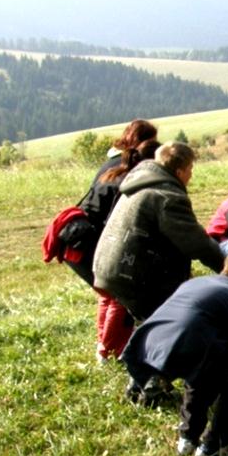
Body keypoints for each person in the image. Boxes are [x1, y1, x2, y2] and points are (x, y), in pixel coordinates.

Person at [121, 251, 228, 456]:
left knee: (202, 372)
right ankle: (214, 448)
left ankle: (187, 439)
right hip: (186, 345)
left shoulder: (197, 283)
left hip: (148, 345)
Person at [94, 142, 224, 325]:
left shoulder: (140, 182)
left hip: (111, 266)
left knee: (155, 322)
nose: (191, 175)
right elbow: (195, 242)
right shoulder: (167, 196)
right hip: (131, 274)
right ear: (179, 172)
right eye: (190, 169)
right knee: (171, 322)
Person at [67, 119, 158, 362]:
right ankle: (109, 350)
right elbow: (118, 220)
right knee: (119, 291)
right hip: (87, 239)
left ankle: (107, 345)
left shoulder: (113, 162)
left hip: (76, 235)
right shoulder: (128, 174)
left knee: (108, 293)